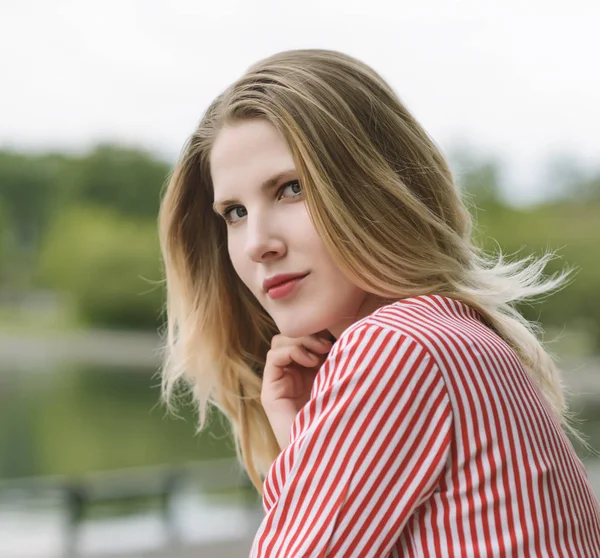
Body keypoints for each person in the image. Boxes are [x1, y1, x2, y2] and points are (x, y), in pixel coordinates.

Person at [158, 49, 600, 557]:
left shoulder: (397, 347)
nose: (257, 241)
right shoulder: (460, 339)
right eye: (234, 212)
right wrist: (306, 436)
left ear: (375, 187)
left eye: (291, 188)